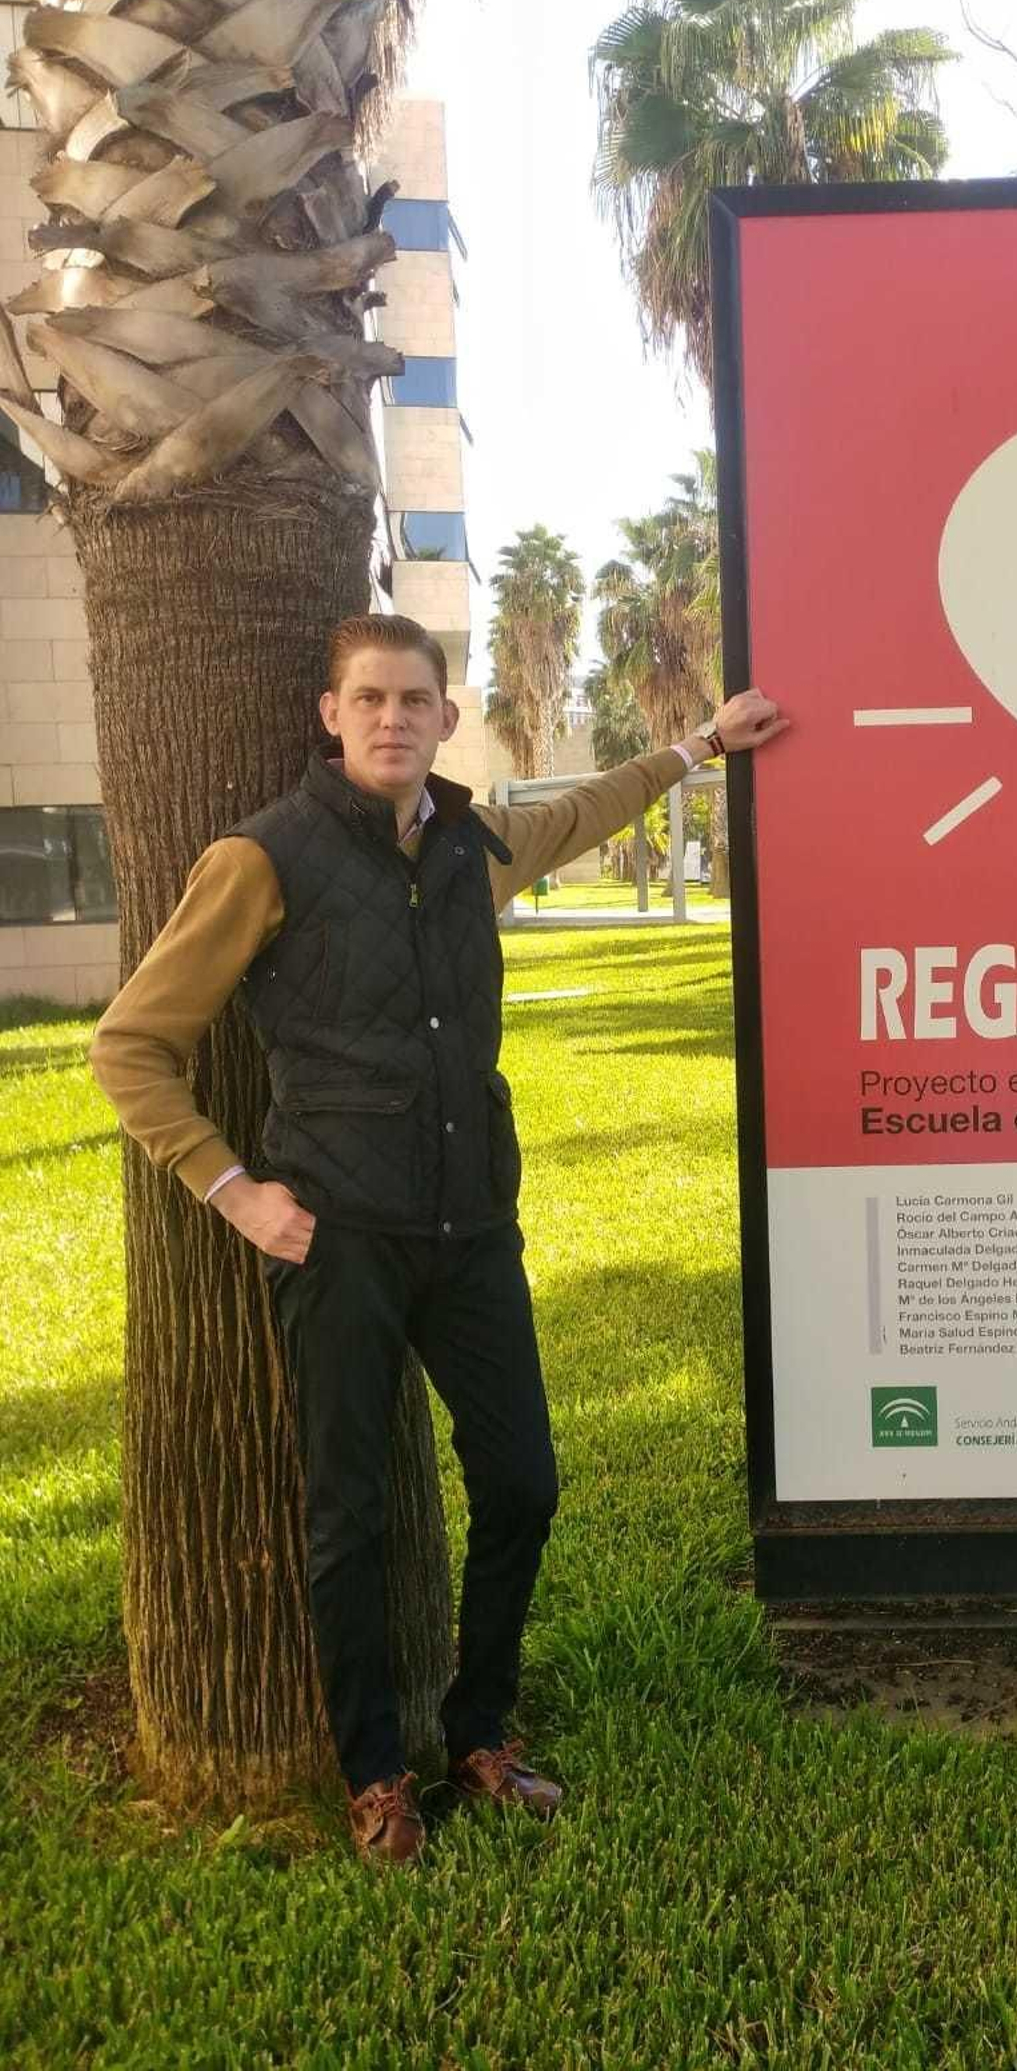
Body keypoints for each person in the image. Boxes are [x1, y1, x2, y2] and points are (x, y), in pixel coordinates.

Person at [90, 612, 788, 1867]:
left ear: (445, 717)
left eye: (415, 699)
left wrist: (699, 744)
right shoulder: (265, 857)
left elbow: (585, 809)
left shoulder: (474, 841)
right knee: (348, 1516)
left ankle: (478, 1731)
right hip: (339, 1238)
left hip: (472, 1232)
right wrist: (232, 1186)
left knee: (523, 1479)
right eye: (370, 699)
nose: (393, 719)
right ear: (331, 712)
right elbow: (131, 1044)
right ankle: (373, 1773)